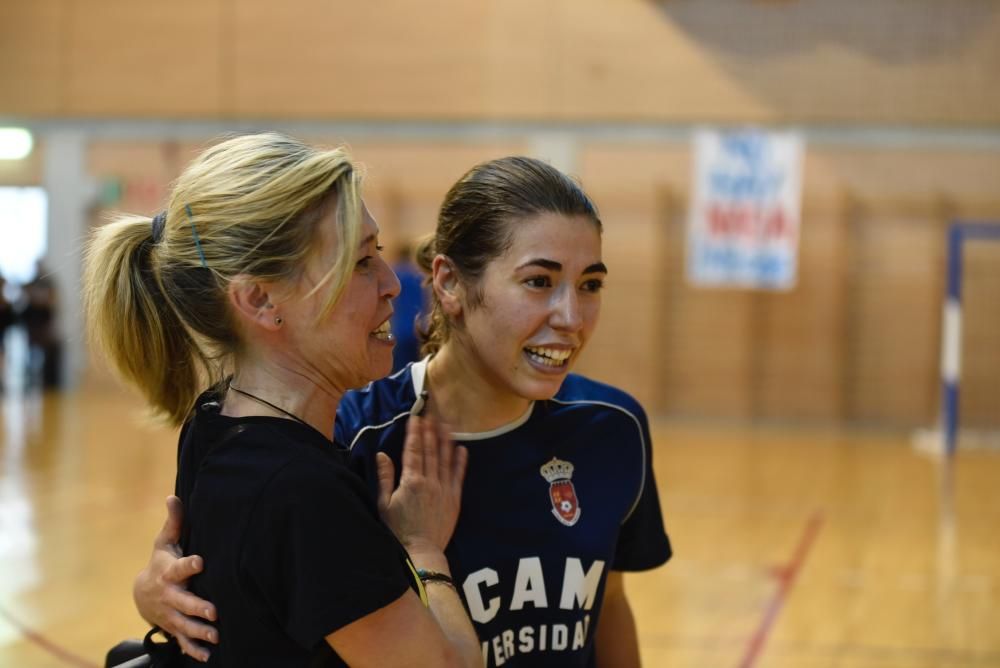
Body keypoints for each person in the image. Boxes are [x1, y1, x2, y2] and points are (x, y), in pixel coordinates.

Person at [135, 156, 672, 667]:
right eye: (538, 281)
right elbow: (239, 565)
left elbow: (609, 603)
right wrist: (161, 586)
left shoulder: (614, 428)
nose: (571, 316)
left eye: (591, 284)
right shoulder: (347, 437)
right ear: (449, 283)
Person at [85, 132, 481, 667]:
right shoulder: (301, 494)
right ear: (260, 299)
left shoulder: (214, 417)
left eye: (378, 253)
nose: (392, 283)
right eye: (361, 262)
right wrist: (425, 550)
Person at [389, 242, 428, 372]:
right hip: (418, 328)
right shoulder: (418, 275)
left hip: (401, 330)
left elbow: (392, 301)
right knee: (416, 370)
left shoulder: (395, 274)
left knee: (400, 371)